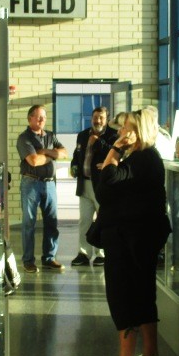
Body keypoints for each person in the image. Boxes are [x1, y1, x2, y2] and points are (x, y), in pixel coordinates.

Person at [92, 108, 172, 356]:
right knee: (142, 293)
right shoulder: (144, 158)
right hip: (140, 235)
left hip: (129, 236)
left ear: (139, 132)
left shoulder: (141, 158)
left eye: (126, 128)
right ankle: (150, 354)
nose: (120, 132)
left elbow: (107, 182)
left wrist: (113, 150)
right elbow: (106, 188)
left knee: (122, 294)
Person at [17, 104, 67, 273]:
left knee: (52, 222)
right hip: (31, 183)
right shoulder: (24, 138)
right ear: (29, 118)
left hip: (50, 184)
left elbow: (65, 153)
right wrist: (52, 155)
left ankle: (49, 258)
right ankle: (28, 261)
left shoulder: (50, 136)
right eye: (38, 117)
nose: (41, 120)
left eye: (43, 117)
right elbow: (33, 161)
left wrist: (44, 151)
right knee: (29, 224)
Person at [69, 106, 115, 267]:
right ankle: (83, 253)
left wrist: (98, 142)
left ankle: (102, 253)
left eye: (101, 117)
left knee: (103, 220)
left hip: (102, 186)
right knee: (85, 221)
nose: (98, 120)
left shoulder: (112, 135)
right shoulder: (83, 135)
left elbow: (113, 153)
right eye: (95, 117)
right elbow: (77, 154)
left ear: (107, 119)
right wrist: (74, 165)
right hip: (84, 184)